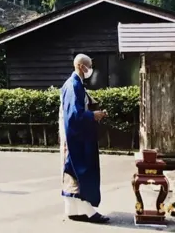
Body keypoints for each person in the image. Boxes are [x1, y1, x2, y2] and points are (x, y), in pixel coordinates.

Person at [59, 53, 109, 224]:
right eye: (89, 66)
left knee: (71, 172)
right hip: (77, 138)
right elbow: (75, 115)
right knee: (82, 172)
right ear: (81, 66)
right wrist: (93, 115)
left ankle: (71, 210)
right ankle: (89, 212)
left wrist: (94, 113)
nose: (91, 70)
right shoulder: (74, 85)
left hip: (74, 136)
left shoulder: (75, 84)